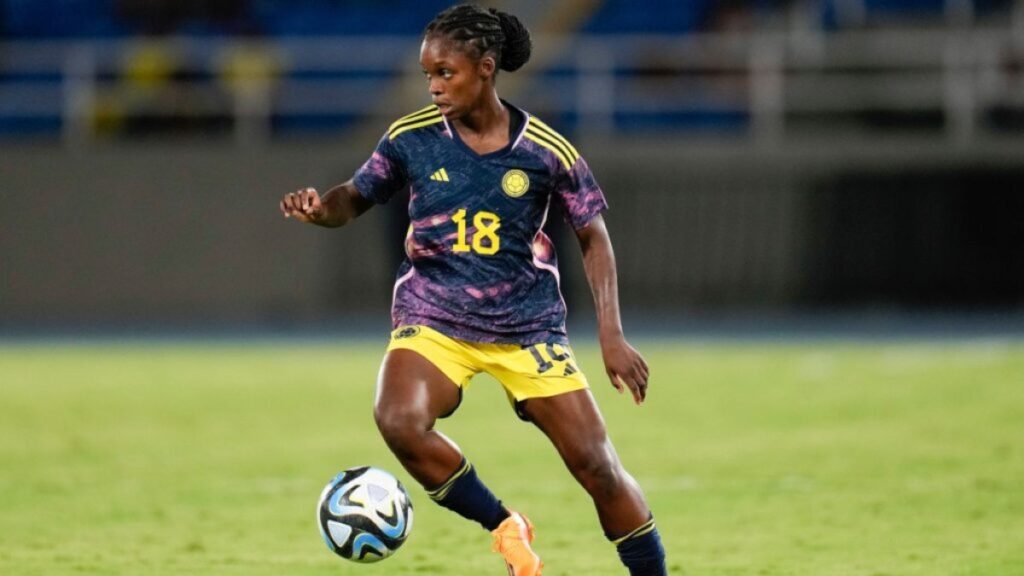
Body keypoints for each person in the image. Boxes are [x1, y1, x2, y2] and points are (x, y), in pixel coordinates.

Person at [279, 4, 666, 575]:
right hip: (433, 318)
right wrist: (320, 209)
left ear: (486, 68)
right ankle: (505, 525)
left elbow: (594, 237)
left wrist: (611, 334)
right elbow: (352, 198)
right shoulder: (410, 139)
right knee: (399, 421)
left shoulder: (546, 151)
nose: (433, 87)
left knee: (598, 468)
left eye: (445, 73)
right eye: (427, 75)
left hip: (526, 327)